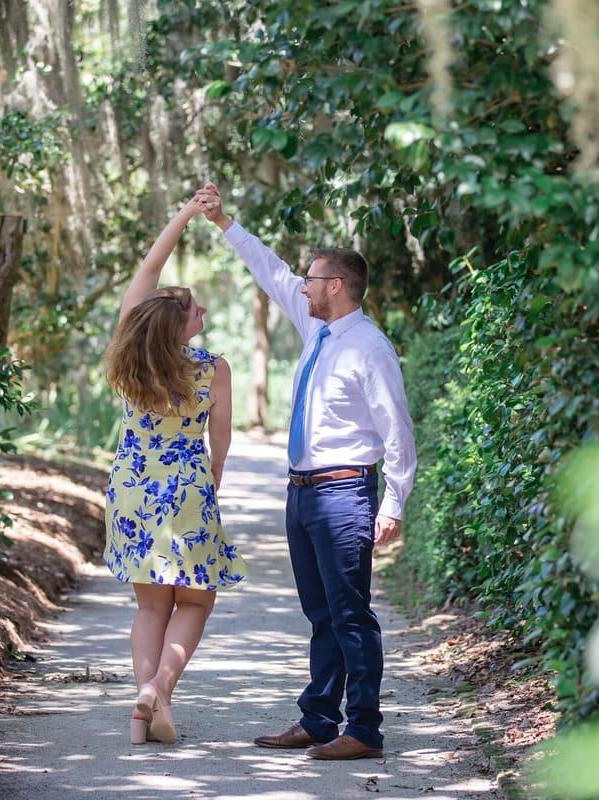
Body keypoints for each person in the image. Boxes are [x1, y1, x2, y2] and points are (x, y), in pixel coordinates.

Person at [194, 182, 416, 760]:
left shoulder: (370, 348)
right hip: (302, 494)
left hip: (346, 494)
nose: (301, 286)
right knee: (320, 615)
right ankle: (319, 720)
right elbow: (270, 269)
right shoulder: (317, 327)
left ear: (335, 287)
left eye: (311, 280)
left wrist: (392, 504)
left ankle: (363, 729)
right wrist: (223, 222)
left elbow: (397, 431)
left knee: (350, 614)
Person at [102, 198, 246, 746]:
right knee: (196, 599)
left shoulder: (130, 356)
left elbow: (148, 271)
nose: (203, 316)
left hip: (132, 488)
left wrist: (184, 214)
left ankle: (143, 709)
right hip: (187, 489)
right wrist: (215, 478)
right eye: (196, 311)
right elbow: (222, 437)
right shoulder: (212, 369)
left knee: (150, 604)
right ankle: (159, 687)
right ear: (180, 324)